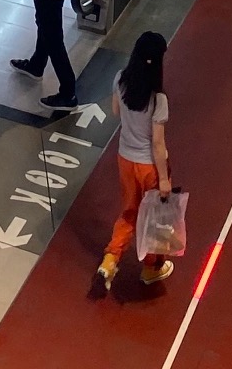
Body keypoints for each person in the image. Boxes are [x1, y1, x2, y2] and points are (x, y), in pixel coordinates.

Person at [97, 30, 174, 292]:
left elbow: (115, 111)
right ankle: (152, 268)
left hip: (125, 159)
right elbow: (157, 144)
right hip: (149, 167)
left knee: (129, 212)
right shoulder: (158, 99)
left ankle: (110, 260)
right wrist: (164, 180)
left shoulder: (120, 79)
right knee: (155, 219)